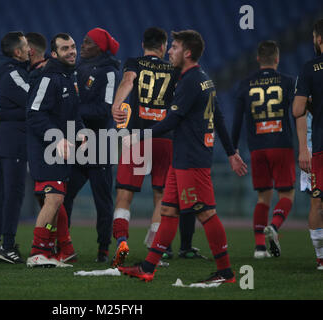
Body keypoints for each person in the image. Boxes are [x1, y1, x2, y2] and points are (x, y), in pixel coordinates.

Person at [118, 30, 247, 283]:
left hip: (192, 158)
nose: (169, 51)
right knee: (167, 210)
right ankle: (147, 267)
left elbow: (173, 119)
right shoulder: (203, 79)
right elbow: (218, 117)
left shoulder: (189, 81)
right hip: (184, 157)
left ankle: (226, 271)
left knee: (205, 213)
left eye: (175, 47)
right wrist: (231, 152)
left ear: (187, 53)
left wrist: (139, 136)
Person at [110, 27, 202, 267]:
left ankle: (121, 239)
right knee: (161, 196)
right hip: (165, 138)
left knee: (124, 195)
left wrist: (117, 104)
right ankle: (154, 249)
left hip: (136, 138)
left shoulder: (135, 63)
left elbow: (128, 81)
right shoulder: (175, 69)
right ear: (163, 47)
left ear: (143, 45)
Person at [232, 40, 296, 259]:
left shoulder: (245, 84)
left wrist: (233, 149)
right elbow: (298, 113)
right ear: (277, 58)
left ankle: (259, 248)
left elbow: (237, 119)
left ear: (258, 58)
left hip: (257, 147)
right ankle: (275, 226)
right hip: (282, 144)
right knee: (286, 193)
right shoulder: (288, 82)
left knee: (263, 198)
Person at [26, 33, 85, 267]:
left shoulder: (67, 77)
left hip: (60, 149)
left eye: (72, 46)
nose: (71, 51)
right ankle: (37, 252)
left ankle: (62, 250)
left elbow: (72, 115)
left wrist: (81, 133)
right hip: (46, 148)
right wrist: (58, 137)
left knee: (56, 199)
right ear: (54, 54)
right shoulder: (48, 78)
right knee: (54, 198)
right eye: (64, 48)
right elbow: (34, 113)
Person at [63, 28, 120, 263]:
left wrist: (72, 111)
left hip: (100, 143)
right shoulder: (76, 69)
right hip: (79, 142)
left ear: (99, 47)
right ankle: (63, 244)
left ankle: (103, 249)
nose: (82, 46)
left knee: (102, 200)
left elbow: (104, 110)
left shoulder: (109, 72)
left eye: (87, 42)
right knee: (64, 195)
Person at [0, 32, 30, 264]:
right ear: (17, 52)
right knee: (13, 194)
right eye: (26, 46)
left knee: (3, 195)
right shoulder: (13, 74)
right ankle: (7, 246)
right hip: (15, 143)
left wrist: (3, 116)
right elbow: (36, 103)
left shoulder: (1, 73)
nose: (30, 49)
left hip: (6, 140)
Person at [293, 18, 323, 271]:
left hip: (320, 145)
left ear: (319, 39)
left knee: (317, 201)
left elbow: (298, 110)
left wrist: (304, 148)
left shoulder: (310, 69)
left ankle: (321, 257)